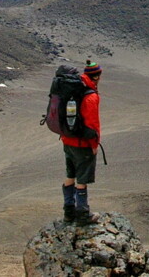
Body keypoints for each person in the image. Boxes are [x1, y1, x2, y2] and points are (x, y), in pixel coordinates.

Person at [61, 60, 102, 225]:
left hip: (67, 140)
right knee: (82, 180)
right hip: (82, 145)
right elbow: (92, 124)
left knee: (70, 175)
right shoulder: (90, 96)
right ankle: (83, 215)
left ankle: (68, 212)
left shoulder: (74, 90)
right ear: (97, 76)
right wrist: (94, 145)